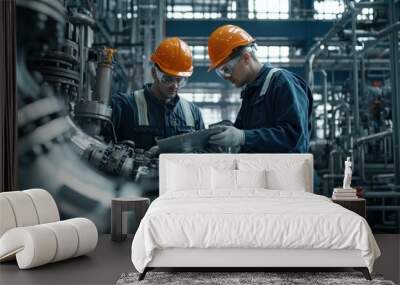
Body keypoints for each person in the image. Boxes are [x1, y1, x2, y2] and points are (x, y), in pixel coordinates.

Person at [207, 25, 313, 153]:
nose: (226, 77)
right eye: (221, 73)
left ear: (246, 58)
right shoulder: (251, 93)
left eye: (227, 70)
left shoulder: (282, 82)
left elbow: (293, 137)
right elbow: (243, 137)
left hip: (287, 171)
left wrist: (243, 137)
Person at [110, 37, 205, 150]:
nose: (174, 85)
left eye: (180, 80)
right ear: (154, 73)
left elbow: (201, 153)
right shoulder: (124, 106)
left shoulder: (193, 113)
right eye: (168, 79)